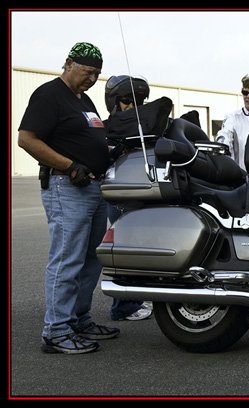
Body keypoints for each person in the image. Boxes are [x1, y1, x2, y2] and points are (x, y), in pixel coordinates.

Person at [18, 42, 120, 354]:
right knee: (67, 259)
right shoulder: (49, 95)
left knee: (91, 258)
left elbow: (91, 138)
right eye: (88, 71)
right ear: (68, 64)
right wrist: (69, 165)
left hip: (94, 188)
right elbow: (26, 139)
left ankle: (79, 319)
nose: (92, 78)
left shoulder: (84, 99)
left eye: (97, 74)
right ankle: (56, 332)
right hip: (67, 187)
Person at [103, 74, 153, 321]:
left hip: (145, 191)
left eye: (137, 101)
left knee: (145, 245)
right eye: (125, 101)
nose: (131, 107)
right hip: (121, 192)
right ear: (113, 101)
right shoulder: (107, 127)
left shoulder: (146, 125)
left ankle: (140, 298)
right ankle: (124, 307)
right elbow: (100, 155)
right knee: (125, 244)